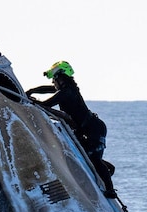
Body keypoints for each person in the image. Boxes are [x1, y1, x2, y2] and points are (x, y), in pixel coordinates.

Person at [26, 61, 116, 198]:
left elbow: (47, 104)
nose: (53, 82)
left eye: (54, 79)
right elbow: (49, 89)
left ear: (60, 78)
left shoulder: (67, 92)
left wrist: (32, 101)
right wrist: (32, 91)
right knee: (86, 155)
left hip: (95, 129)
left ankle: (110, 190)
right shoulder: (67, 89)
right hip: (85, 129)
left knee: (94, 159)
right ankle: (108, 168)